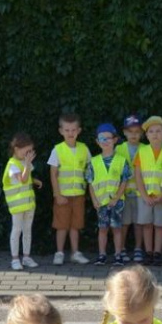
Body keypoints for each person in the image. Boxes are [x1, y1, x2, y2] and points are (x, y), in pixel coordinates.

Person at [49, 114, 91, 266]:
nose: (70, 133)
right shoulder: (57, 150)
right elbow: (53, 174)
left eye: (73, 130)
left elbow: (90, 170)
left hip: (79, 195)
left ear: (79, 130)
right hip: (63, 196)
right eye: (67, 130)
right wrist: (57, 195)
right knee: (61, 226)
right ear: (61, 131)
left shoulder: (84, 149)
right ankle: (59, 253)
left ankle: (75, 253)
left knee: (76, 226)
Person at [89, 123, 132, 267]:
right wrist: (94, 200)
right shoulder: (93, 162)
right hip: (100, 202)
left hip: (117, 202)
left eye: (108, 138)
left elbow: (124, 181)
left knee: (117, 229)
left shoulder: (121, 161)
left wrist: (116, 198)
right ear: (97, 141)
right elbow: (91, 183)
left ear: (115, 140)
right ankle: (102, 255)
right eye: (102, 138)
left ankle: (118, 255)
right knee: (102, 229)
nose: (106, 141)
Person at [133, 116, 162, 266]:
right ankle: (148, 252)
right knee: (147, 225)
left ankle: (157, 253)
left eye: (158, 131)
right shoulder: (141, 152)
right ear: (147, 135)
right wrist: (144, 196)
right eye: (151, 131)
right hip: (145, 197)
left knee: (160, 225)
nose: (155, 134)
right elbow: (138, 176)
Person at [4, 132, 42, 271]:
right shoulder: (12, 164)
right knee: (17, 230)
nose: (28, 155)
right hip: (17, 206)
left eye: (30, 152)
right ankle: (15, 259)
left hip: (28, 204)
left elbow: (28, 178)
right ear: (16, 149)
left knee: (27, 230)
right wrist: (27, 164)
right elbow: (23, 179)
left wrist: (35, 180)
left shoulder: (24, 163)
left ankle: (26, 257)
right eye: (26, 152)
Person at [117, 116, 145, 264]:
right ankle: (121, 248)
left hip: (141, 193)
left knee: (139, 222)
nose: (134, 134)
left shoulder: (145, 149)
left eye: (137, 131)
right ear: (124, 132)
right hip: (123, 193)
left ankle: (138, 248)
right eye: (130, 131)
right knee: (124, 222)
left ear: (141, 133)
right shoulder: (118, 149)